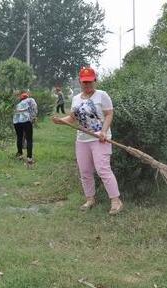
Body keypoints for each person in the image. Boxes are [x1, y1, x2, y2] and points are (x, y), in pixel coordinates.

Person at [52, 67, 124, 215]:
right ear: (80, 82)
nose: (87, 85)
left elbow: (109, 114)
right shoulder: (76, 98)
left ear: (95, 81)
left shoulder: (102, 95)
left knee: (102, 169)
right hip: (82, 140)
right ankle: (90, 199)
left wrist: (104, 131)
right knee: (85, 171)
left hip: (100, 139)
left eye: (90, 82)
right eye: (84, 82)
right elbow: (73, 118)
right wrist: (60, 121)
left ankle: (116, 201)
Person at [13, 92, 38, 167]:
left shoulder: (18, 104)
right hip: (26, 120)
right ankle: (29, 158)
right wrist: (33, 117)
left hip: (16, 121)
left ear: (21, 98)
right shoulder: (30, 100)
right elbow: (34, 108)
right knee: (29, 139)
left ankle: (20, 155)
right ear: (27, 97)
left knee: (19, 137)